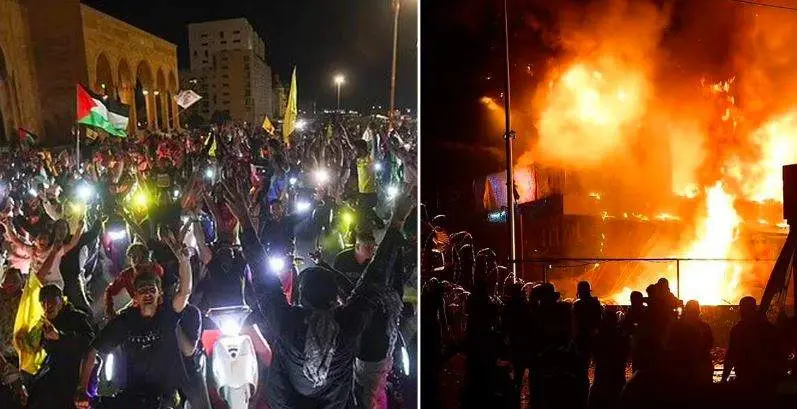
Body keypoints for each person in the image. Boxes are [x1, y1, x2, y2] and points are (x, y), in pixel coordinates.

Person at [227, 181, 413, 409]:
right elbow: (375, 275)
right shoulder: (347, 324)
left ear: (300, 299)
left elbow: (263, 277)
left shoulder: (289, 323)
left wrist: (245, 221)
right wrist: (396, 223)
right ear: (336, 299)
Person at [76, 240, 202, 409]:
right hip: (133, 394)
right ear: (135, 296)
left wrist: (184, 261)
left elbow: (184, 292)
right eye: (142, 289)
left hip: (165, 396)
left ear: (160, 293)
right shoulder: (125, 320)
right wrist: (82, 388)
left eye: (152, 289)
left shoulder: (167, 313)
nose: (147, 293)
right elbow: (92, 351)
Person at [26, 284, 94, 409]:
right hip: (48, 376)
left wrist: (60, 337)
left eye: (52, 300)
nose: (47, 305)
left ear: (61, 301)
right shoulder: (43, 323)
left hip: (73, 377)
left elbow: (89, 344)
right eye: (43, 302)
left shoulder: (77, 317)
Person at [721, 296, 784, 389]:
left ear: (742, 310)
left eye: (741, 309)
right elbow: (781, 355)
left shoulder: (738, 330)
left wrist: (723, 379)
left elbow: (731, 356)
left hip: (746, 380)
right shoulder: (771, 329)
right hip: (768, 380)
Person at [104, 242, 165, 317]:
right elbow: (110, 290)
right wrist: (109, 310)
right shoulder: (126, 275)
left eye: (140, 257)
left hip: (157, 306)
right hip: (138, 308)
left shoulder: (156, 269)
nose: (137, 260)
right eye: (133, 257)